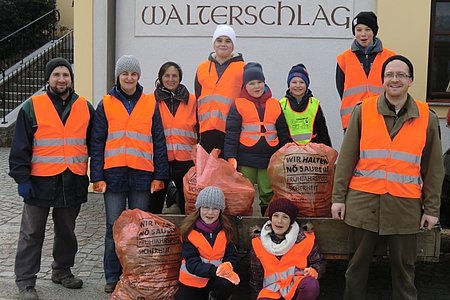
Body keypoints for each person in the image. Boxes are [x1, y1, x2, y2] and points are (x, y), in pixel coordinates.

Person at [331, 55, 444, 299]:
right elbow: (347, 158)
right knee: (356, 270)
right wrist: (338, 198)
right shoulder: (363, 111)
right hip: (363, 205)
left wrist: (432, 209)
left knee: (404, 272)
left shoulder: (427, 117)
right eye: (390, 75)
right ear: (383, 80)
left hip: (404, 209)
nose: (395, 79)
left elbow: (434, 169)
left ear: (410, 80)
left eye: (401, 75)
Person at [9, 57, 95, 300]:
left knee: (67, 230)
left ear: (71, 79)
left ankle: (62, 270)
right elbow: (19, 148)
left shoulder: (85, 107)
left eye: (65, 75)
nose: (61, 79)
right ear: (48, 79)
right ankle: (26, 281)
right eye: (56, 74)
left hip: (72, 179)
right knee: (32, 232)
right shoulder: (32, 106)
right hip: (39, 182)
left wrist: (95, 173)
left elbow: (95, 144)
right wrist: (22, 179)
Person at [89, 55, 169, 293]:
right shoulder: (106, 103)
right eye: (125, 73)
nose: (129, 77)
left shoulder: (149, 103)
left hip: (142, 174)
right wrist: (97, 176)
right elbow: (97, 141)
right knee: (113, 226)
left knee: (139, 228)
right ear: (118, 76)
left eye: (133, 74)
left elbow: (159, 142)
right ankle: (112, 276)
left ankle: (134, 274)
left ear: (139, 76)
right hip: (113, 174)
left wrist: (160, 176)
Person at [224, 62, 291, 215]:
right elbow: (231, 133)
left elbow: (283, 131)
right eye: (252, 83)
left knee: (267, 192)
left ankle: (266, 220)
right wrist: (230, 156)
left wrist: (286, 151)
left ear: (264, 83)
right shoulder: (238, 104)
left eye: (259, 82)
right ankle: (244, 222)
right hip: (246, 158)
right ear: (245, 86)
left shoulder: (275, 104)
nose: (256, 86)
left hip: (268, 158)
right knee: (245, 192)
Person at [249, 198, 325, 300]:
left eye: (285, 217)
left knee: (311, 285)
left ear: (291, 221)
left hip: (296, 285)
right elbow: (256, 275)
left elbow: (319, 262)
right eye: (276, 216)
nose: (279, 221)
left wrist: (315, 270)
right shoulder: (258, 243)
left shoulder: (304, 239)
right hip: (272, 291)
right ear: (271, 218)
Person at [336, 11, 396, 131]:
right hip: (353, 120)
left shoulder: (390, 58)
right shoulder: (344, 59)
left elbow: (395, 87)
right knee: (353, 150)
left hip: (383, 118)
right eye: (358, 30)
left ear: (374, 31)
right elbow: (341, 89)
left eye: (367, 29)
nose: (363, 34)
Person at [177, 186, 239, 300]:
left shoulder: (226, 230)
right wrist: (216, 271)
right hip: (192, 280)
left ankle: (215, 297)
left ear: (220, 211)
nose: (210, 213)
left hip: (215, 279)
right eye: (206, 207)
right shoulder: (189, 232)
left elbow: (232, 255)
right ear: (199, 208)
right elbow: (192, 263)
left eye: (215, 208)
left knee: (227, 284)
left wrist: (228, 265)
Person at [151, 61, 198, 214]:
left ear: (180, 78)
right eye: (167, 76)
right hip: (159, 159)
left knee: (188, 204)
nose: (171, 79)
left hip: (185, 160)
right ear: (160, 77)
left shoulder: (192, 100)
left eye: (175, 76)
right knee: (155, 203)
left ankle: (174, 195)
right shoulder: (150, 101)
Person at [195, 24, 245, 156]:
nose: (223, 44)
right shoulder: (202, 68)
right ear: (214, 43)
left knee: (228, 174)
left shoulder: (243, 68)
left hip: (231, 132)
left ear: (233, 45)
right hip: (206, 131)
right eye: (219, 40)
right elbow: (198, 98)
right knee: (207, 174)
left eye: (228, 41)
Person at [280, 63, 332, 147]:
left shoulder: (314, 104)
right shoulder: (282, 105)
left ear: (307, 84)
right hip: (290, 153)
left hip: (313, 152)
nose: (298, 86)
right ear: (289, 84)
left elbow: (322, 130)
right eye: (294, 82)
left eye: (302, 82)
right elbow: (281, 132)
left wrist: (327, 151)